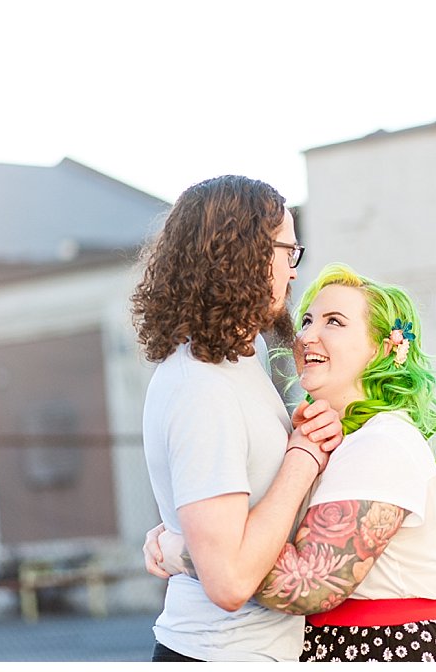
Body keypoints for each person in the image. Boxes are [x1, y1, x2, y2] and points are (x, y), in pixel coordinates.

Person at [147, 262, 436, 662]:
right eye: (308, 320)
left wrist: (183, 547)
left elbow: (308, 585)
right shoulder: (331, 442)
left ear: (384, 347)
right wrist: (190, 523)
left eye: (334, 322)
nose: (308, 336)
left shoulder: (382, 443)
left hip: (383, 650)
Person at [130, 175, 345, 662]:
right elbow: (227, 581)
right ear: (241, 255)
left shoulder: (239, 362)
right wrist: (303, 457)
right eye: (287, 252)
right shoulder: (201, 387)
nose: (293, 274)